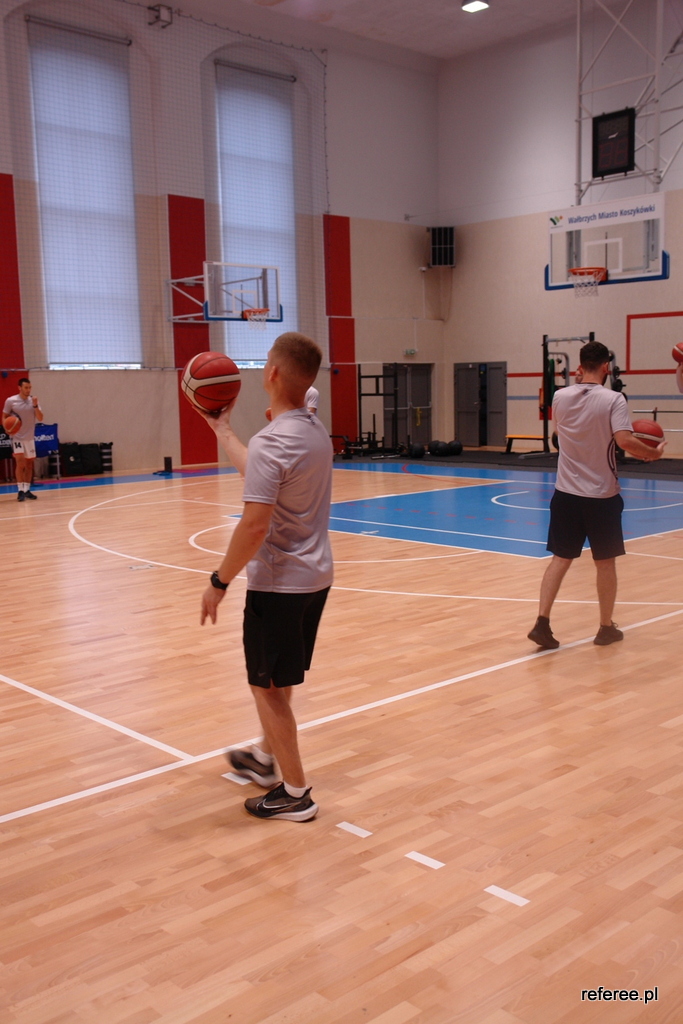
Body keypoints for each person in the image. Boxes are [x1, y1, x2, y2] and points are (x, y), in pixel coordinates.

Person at [200, 333, 333, 821]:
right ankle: (263, 756)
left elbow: (254, 526)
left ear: (272, 373)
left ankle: (296, 794)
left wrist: (219, 581)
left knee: (267, 687)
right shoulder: (312, 426)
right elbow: (260, 467)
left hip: (279, 584)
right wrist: (223, 430)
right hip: (314, 578)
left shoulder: (274, 440)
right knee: (279, 678)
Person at [528, 340, 665, 650]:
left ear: (580, 366)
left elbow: (558, 435)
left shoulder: (560, 396)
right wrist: (652, 453)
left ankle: (542, 623)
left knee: (560, 559)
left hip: (565, 493)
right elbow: (624, 441)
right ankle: (605, 628)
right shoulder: (614, 399)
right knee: (604, 562)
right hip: (601, 495)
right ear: (606, 367)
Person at [2, 378, 44, 502]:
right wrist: (6, 427)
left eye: (29, 387)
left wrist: (35, 405)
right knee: (20, 464)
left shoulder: (33, 401)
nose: (28, 390)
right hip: (17, 437)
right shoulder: (11, 401)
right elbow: (4, 416)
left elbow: (40, 418)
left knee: (29, 464)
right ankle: (20, 490)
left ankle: (27, 490)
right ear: (19, 387)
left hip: (29, 437)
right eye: (26, 387)